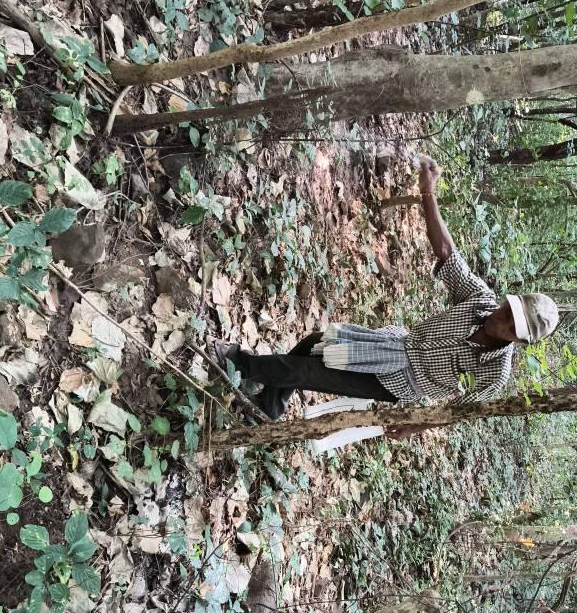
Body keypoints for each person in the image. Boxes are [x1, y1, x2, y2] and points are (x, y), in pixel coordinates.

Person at [216, 156, 559, 439]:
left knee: (308, 370)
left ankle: (235, 364)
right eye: (509, 311)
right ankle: (269, 406)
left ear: (519, 340)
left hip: (398, 381)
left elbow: (457, 411)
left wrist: (413, 426)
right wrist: (428, 193)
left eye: (512, 327)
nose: (502, 321)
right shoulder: (479, 300)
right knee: (313, 343)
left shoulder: (494, 371)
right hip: (391, 345)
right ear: (508, 301)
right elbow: (447, 253)